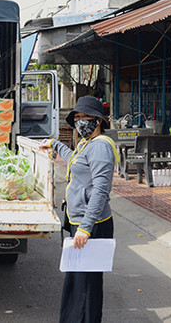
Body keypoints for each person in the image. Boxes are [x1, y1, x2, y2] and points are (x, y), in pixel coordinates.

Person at [41, 96, 119, 323]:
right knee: (77, 282)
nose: (80, 122)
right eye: (77, 118)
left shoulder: (101, 147)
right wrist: (55, 145)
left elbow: (101, 190)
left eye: (85, 117)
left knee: (86, 286)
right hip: (81, 223)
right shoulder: (87, 144)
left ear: (98, 121)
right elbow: (75, 160)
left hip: (92, 226)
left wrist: (85, 228)